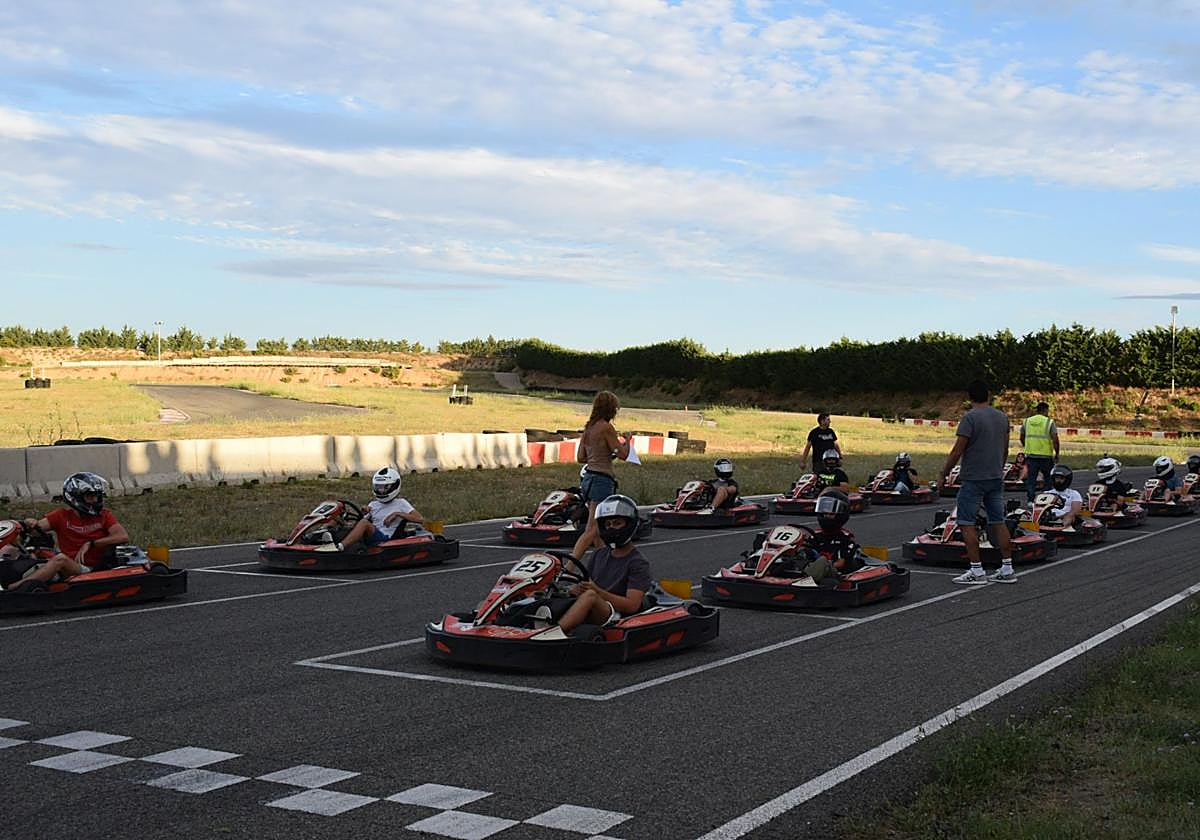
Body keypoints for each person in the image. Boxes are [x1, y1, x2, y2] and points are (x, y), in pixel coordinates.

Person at [939, 380, 1016, 584]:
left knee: (966, 523)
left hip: (974, 478)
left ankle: (977, 570)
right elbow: (1005, 449)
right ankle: (1007, 567)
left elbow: (958, 450)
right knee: (998, 521)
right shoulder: (1002, 417)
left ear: (969, 397)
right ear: (988, 396)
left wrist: (944, 473)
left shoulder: (969, 418)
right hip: (995, 476)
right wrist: (999, 468)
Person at [558, 494, 651, 634]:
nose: (611, 528)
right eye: (608, 524)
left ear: (630, 524)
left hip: (616, 615)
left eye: (617, 523)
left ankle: (554, 632)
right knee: (553, 590)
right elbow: (588, 582)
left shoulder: (638, 563)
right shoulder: (599, 554)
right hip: (594, 605)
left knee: (590, 596)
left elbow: (632, 605)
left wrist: (597, 592)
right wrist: (572, 589)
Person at [19, 472, 129, 588]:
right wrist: (29, 522)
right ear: (76, 497)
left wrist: (92, 543)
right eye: (90, 496)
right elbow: (34, 529)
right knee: (13, 549)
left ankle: (16, 588)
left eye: (96, 496)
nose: (95, 500)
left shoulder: (104, 516)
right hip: (68, 566)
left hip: (90, 569)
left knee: (60, 559)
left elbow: (122, 536)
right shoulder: (61, 516)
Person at [572, 391, 631, 556]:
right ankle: (569, 565)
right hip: (602, 480)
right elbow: (623, 454)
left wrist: (601, 456)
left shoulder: (589, 428)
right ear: (611, 409)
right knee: (593, 528)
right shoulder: (606, 427)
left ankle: (602, 561)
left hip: (588, 478)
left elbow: (581, 457)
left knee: (598, 528)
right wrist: (627, 441)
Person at [338, 467, 425, 551]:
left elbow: (420, 519)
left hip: (385, 539)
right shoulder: (373, 504)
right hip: (370, 535)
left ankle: (340, 547)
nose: (381, 491)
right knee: (339, 511)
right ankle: (327, 535)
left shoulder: (401, 503)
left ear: (394, 486)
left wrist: (397, 514)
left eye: (385, 487)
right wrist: (363, 512)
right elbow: (359, 522)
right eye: (379, 487)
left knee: (364, 523)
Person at [808, 490, 863, 575]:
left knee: (827, 580)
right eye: (824, 513)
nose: (826, 516)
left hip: (834, 576)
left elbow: (840, 564)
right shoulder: (815, 536)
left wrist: (822, 566)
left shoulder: (845, 539)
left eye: (831, 514)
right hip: (812, 573)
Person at [1020, 401, 1059, 502]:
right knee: (1048, 479)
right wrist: (1057, 453)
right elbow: (1055, 439)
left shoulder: (1027, 421)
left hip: (1031, 455)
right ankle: (1046, 499)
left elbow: (1021, 437)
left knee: (1031, 479)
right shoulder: (1049, 422)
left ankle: (1030, 500)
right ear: (1045, 410)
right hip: (1045, 456)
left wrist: (1027, 446)